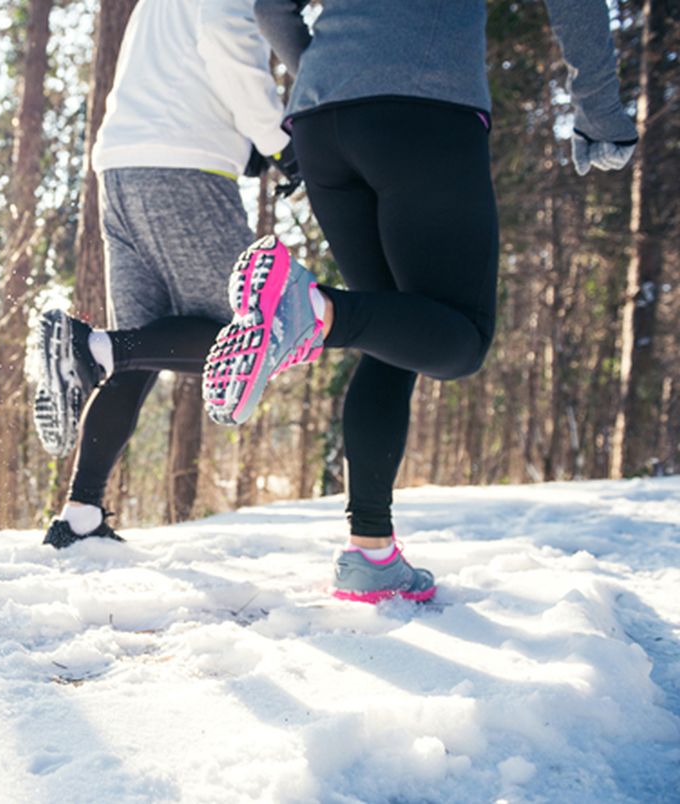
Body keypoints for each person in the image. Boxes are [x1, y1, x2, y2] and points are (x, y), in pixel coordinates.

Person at [203, 0, 638, 602]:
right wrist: (601, 113)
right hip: (422, 109)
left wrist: (332, 69)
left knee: (388, 330)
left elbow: (271, 8)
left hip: (320, 120)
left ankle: (371, 554)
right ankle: (314, 313)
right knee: (460, 338)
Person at [31, 0, 294, 548]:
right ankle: (87, 349)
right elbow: (227, 39)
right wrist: (279, 142)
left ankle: (79, 517)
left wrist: (244, 146)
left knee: (140, 351)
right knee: (255, 330)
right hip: (181, 167)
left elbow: (177, 64)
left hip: (123, 167)